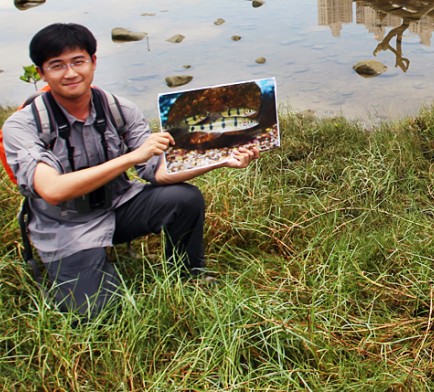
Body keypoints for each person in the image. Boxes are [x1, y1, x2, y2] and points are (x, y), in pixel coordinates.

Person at [2, 22, 260, 317]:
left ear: (93, 62)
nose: (71, 73)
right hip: (66, 225)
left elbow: (158, 172)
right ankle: (83, 268)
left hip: (118, 205)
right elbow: (53, 190)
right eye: (57, 65)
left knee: (183, 198)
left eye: (78, 61)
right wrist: (129, 158)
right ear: (41, 73)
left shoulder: (118, 108)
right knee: (98, 314)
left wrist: (221, 159)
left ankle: (189, 275)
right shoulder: (23, 125)